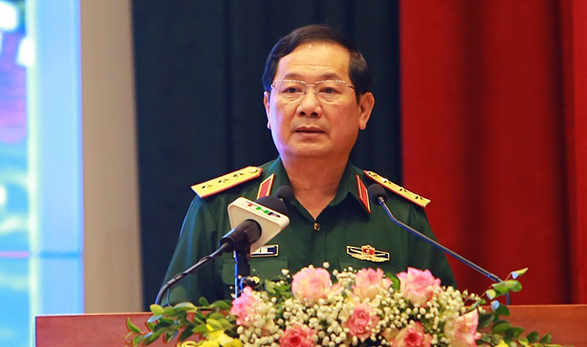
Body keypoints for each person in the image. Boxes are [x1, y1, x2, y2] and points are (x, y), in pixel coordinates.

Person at [162, 25, 455, 305]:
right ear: (268, 107)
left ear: (363, 110)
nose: (309, 107)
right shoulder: (218, 209)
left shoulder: (398, 216)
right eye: (291, 90)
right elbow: (175, 326)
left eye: (328, 90)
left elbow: (444, 324)